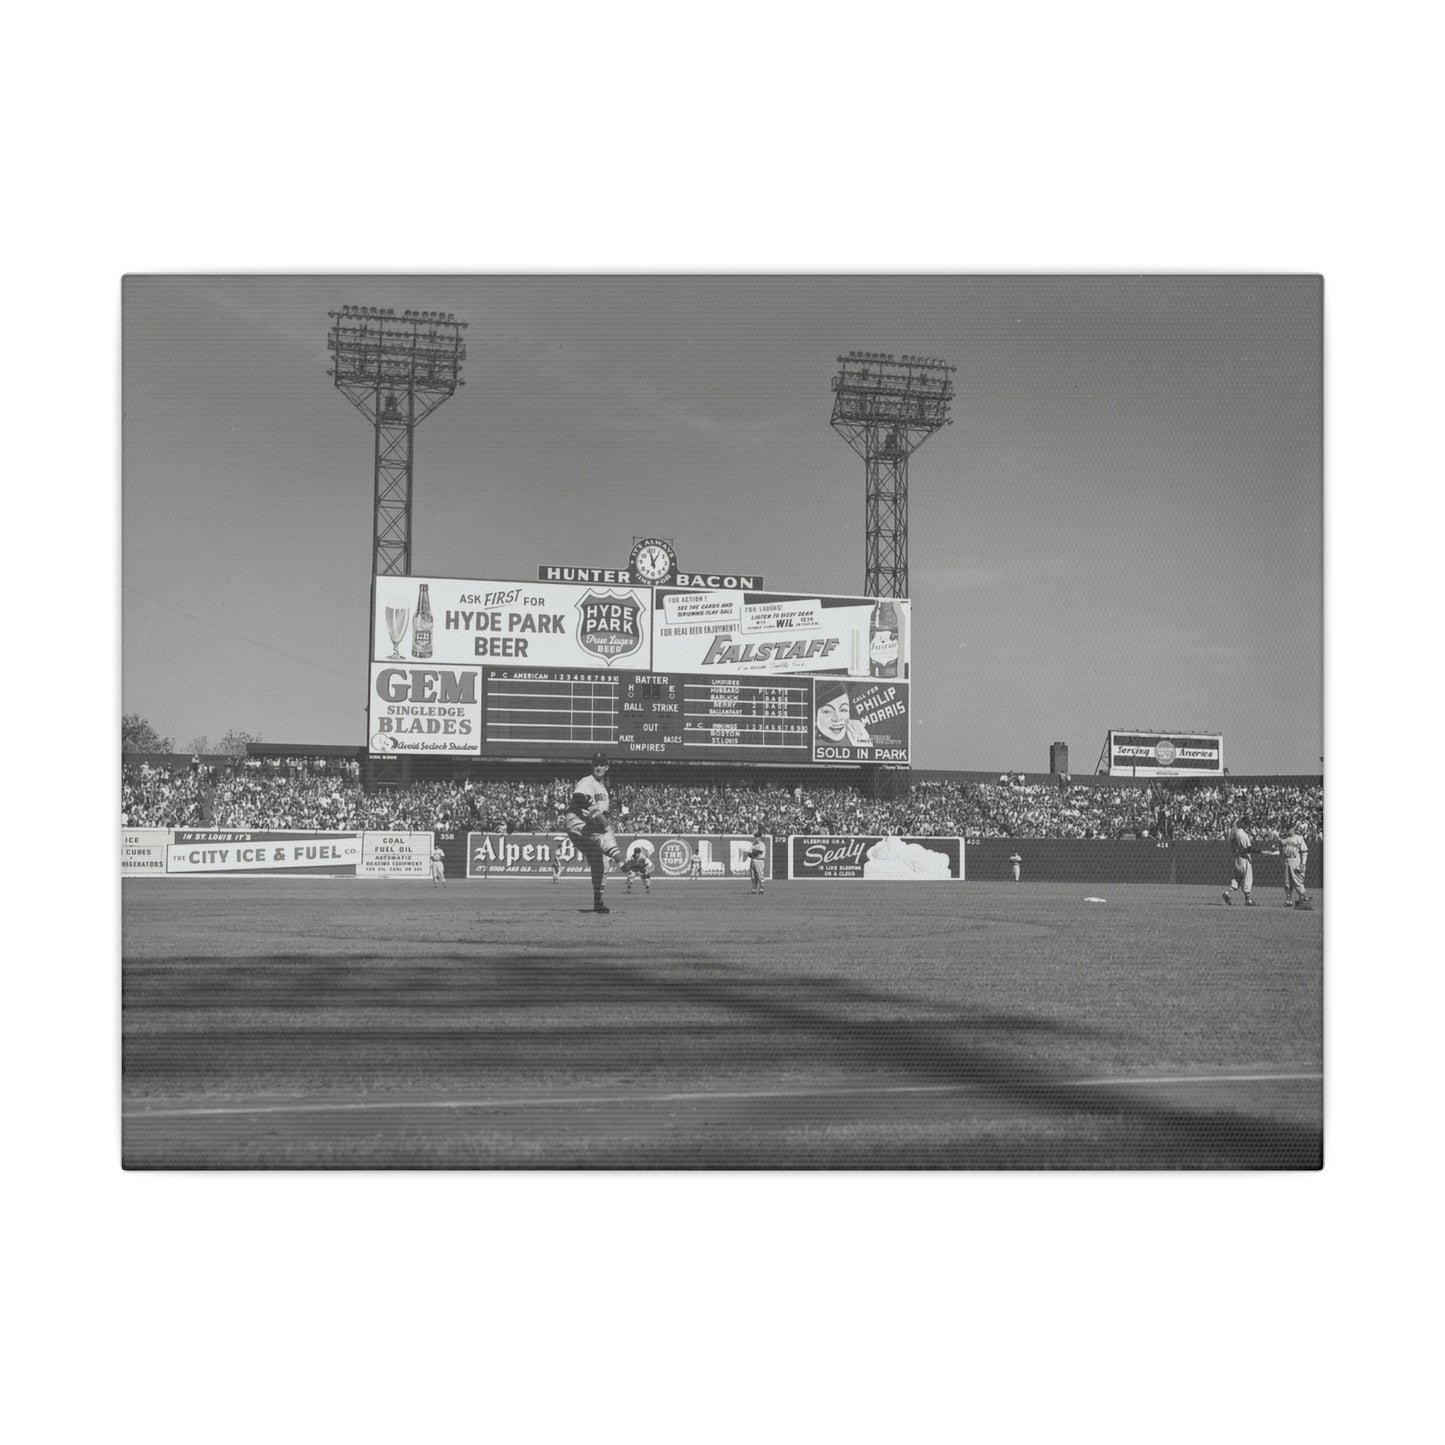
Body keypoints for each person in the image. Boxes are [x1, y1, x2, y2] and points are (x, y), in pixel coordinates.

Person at [564, 753, 622, 913]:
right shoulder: (587, 781)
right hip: (577, 821)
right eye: (596, 764)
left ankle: (598, 902)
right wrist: (595, 812)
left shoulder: (603, 789)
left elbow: (604, 816)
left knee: (601, 862)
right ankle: (621, 861)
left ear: (606, 767)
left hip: (587, 827)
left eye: (601, 764)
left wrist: (601, 818)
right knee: (605, 840)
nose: (598, 767)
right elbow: (578, 796)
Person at [814, 680, 870, 746]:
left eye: (843, 710)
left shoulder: (858, 738)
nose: (837, 718)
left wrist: (865, 745)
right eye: (827, 711)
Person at [1222, 814, 1260, 905]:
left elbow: (1233, 846)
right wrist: (1259, 851)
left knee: (1237, 878)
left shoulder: (1235, 832)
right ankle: (1248, 900)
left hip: (1237, 858)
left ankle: (1227, 893)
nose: (1248, 825)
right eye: (1247, 824)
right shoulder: (1242, 834)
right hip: (1244, 858)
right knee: (1247, 878)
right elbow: (1248, 849)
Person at [1280, 822, 1311, 908]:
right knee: (1287, 882)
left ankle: (1303, 899)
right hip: (1286, 860)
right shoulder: (1285, 839)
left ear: (1294, 828)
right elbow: (1281, 849)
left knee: (1297, 881)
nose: (1288, 830)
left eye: (1289, 828)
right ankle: (1288, 900)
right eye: (1287, 828)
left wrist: (1303, 864)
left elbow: (1304, 852)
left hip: (1295, 861)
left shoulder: (1299, 838)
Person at [747, 830, 767, 894]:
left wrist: (752, 853)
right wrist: (752, 854)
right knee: (753, 876)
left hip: (759, 861)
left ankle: (761, 889)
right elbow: (749, 854)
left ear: (760, 837)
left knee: (760, 875)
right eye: (755, 837)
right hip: (753, 860)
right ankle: (754, 889)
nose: (756, 838)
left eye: (757, 837)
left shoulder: (762, 845)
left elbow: (758, 853)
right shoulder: (754, 844)